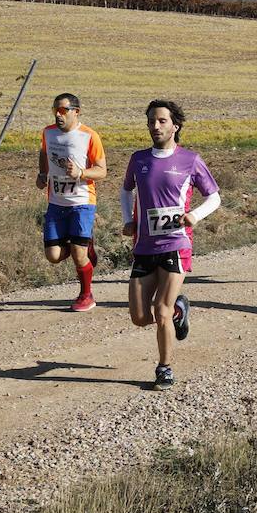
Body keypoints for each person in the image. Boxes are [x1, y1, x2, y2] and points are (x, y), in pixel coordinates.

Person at [120, 100, 221, 390]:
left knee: (159, 312)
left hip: (176, 244)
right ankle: (180, 309)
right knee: (140, 317)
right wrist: (128, 219)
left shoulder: (189, 159)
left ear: (175, 125)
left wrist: (194, 216)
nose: (155, 126)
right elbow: (125, 190)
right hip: (144, 246)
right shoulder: (139, 159)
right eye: (151, 120)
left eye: (161, 121)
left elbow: (214, 197)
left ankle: (164, 368)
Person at [36, 93, 107, 312]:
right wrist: (42, 173)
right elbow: (44, 153)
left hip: (82, 201)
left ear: (76, 111)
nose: (58, 114)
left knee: (78, 254)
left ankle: (86, 295)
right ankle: (84, 245)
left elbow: (102, 171)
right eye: (55, 110)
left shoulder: (89, 136)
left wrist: (81, 172)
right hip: (57, 203)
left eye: (63, 110)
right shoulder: (48, 133)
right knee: (53, 256)